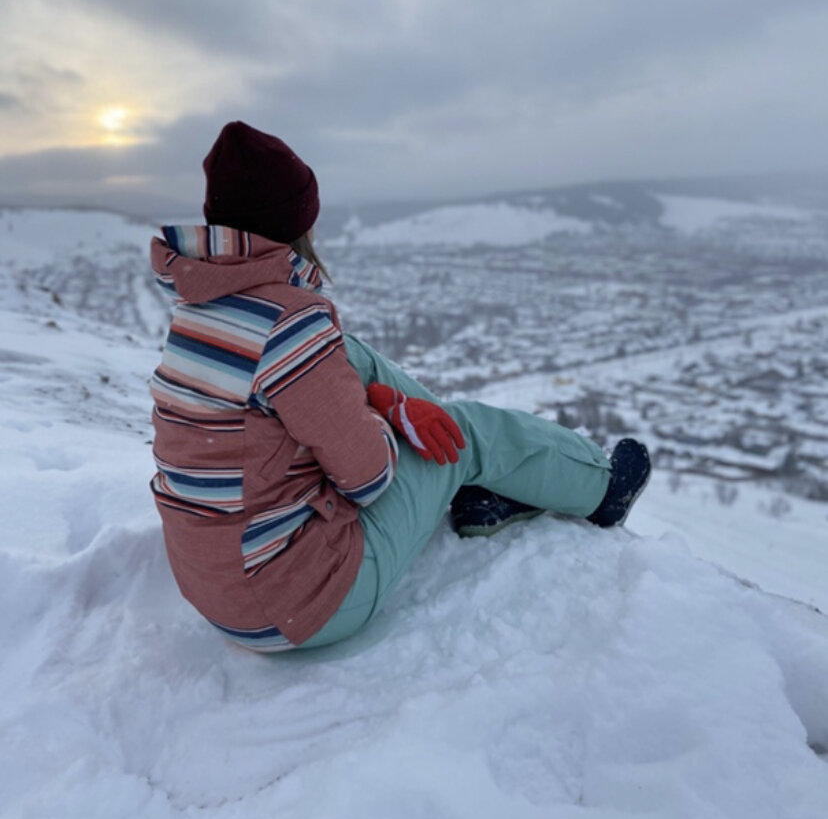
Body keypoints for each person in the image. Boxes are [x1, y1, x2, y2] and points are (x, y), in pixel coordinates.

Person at [149, 121, 651, 652]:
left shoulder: (198, 313)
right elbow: (367, 479)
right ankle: (599, 490)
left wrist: (379, 401)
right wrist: (391, 418)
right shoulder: (290, 326)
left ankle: (470, 478)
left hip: (219, 587)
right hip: (300, 604)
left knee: (348, 353)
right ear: (296, 224)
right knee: (465, 432)